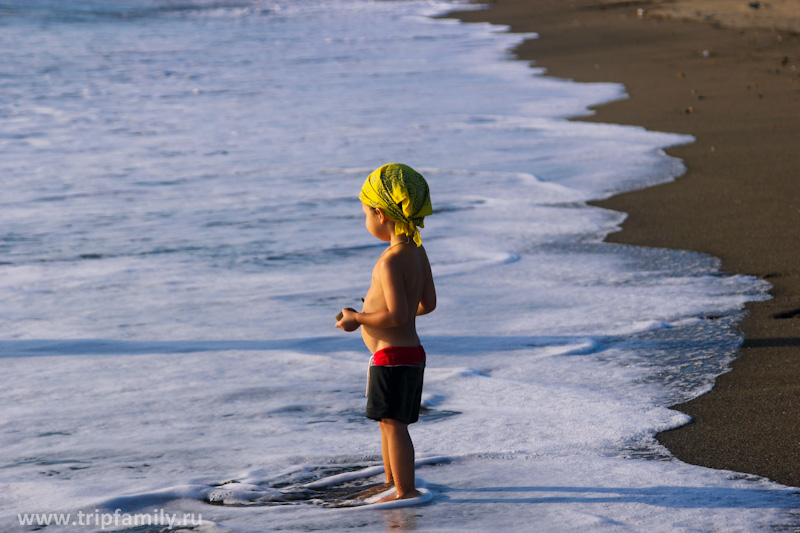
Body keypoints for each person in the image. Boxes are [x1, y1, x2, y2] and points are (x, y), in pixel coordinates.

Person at [335, 163, 436, 503]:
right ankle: (392, 482)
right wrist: (385, 311)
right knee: (388, 423)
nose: (365, 220)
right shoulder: (418, 252)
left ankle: (405, 490)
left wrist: (359, 318)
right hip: (410, 354)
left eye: (365, 213)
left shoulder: (390, 260)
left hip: (391, 358)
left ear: (380, 214)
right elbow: (427, 304)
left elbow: (397, 314)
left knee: (394, 425)